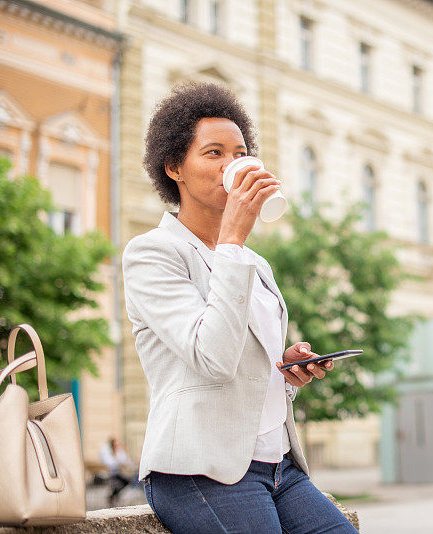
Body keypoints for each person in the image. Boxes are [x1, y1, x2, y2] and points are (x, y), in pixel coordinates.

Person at [122, 82, 358, 534]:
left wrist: (285, 371)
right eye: (214, 153)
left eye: (241, 152)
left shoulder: (253, 262)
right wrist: (230, 240)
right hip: (201, 468)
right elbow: (211, 359)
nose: (233, 165)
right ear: (175, 167)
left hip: (277, 466)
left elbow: (246, 366)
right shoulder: (152, 253)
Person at [99, 437, 136, 506]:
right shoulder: (107, 452)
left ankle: (113, 496)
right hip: (111, 473)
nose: (117, 444)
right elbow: (109, 463)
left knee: (124, 482)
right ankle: (113, 497)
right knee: (115, 485)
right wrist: (118, 461)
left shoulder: (119, 451)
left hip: (118, 472)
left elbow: (125, 460)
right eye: (116, 443)